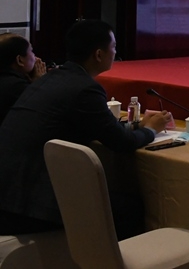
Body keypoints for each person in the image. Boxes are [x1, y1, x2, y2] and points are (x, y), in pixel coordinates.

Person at [0, 19, 171, 238]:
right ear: (98, 54)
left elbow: (93, 124)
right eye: (113, 47)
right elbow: (122, 143)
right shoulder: (85, 88)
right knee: (130, 208)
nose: (115, 53)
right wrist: (151, 129)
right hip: (28, 206)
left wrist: (135, 125)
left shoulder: (49, 79)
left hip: (9, 193)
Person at [0, 33, 47, 125]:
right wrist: (38, 84)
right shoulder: (17, 87)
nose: (36, 58)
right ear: (19, 60)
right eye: (32, 52)